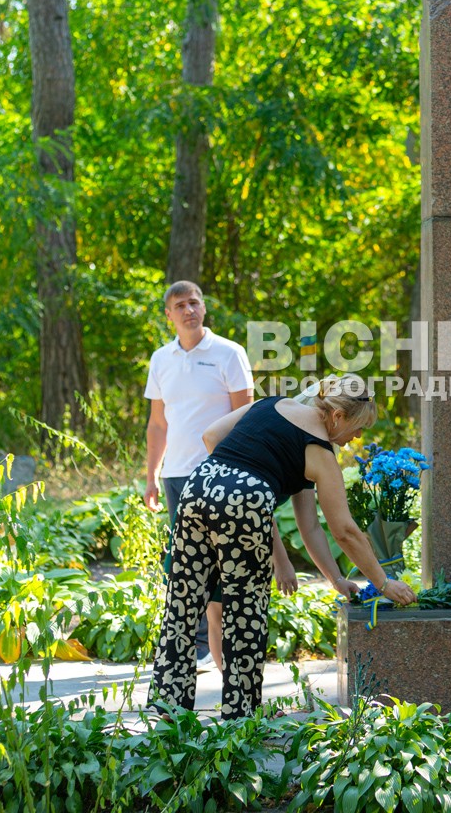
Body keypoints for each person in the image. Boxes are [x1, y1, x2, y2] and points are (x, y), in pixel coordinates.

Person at [149, 374, 416, 719]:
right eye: (358, 428)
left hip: (199, 487)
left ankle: (168, 709)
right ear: (337, 417)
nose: (357, 439)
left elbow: (212, 436)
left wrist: (336, 580)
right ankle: (239, 721)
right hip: (244, 503)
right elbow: (345, 531)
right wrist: (383, 582)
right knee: (244, 613)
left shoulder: (273, 404)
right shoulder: (320, 453)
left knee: (183, 605)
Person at [144, 280, 298, 670]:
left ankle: (229, 646)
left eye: (194, 302)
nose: (188, 310)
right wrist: (151, 475)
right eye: (180, 305)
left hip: (223, 471)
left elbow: (246, 415)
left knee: (229, 559)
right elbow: (157, 423)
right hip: (177, 475)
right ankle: (198, 647)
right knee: (186, 563)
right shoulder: (161, 359)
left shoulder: (229, 353)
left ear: (203, 308)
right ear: (169, 315)